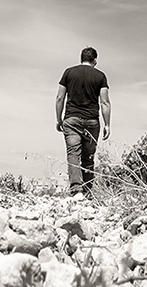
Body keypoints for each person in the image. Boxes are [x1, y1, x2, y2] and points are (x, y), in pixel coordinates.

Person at [55, 47, 111, 198]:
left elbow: (60, 98)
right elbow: (104, 102)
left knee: (73, 154)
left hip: (71, 120)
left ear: (81, 58)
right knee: (89, 157)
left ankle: (76, 191)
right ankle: (87, 193)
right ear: (95, 61)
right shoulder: (100, 76)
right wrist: (107, 124)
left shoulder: (69, 72)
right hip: (92, 121)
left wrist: (59, 119)